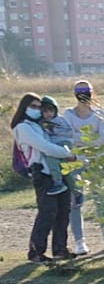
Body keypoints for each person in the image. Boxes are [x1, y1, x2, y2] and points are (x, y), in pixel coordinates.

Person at [13, 93, 76, 262]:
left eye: (38, 107)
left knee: (63, 211)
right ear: (24, 107)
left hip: (57, 171)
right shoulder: (23, 127)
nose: (37, 110)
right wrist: (67, 154)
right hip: (42, 173)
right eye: (33, 106)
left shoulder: (40, 125)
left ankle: (60, 249)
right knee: (47, 213)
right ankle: (36, 251)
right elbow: (44, 147)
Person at [59, 80, 104, 254]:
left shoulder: (100, 114)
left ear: (92, 92)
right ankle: (79, 242)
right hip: (75, 162)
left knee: (101, 199)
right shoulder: (67, 114)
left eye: (86, 90)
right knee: (75, 201)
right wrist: (90, 139)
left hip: (96, 162)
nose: (83, 94)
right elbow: (66, 137)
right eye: (79, 90)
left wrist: (82, 141)